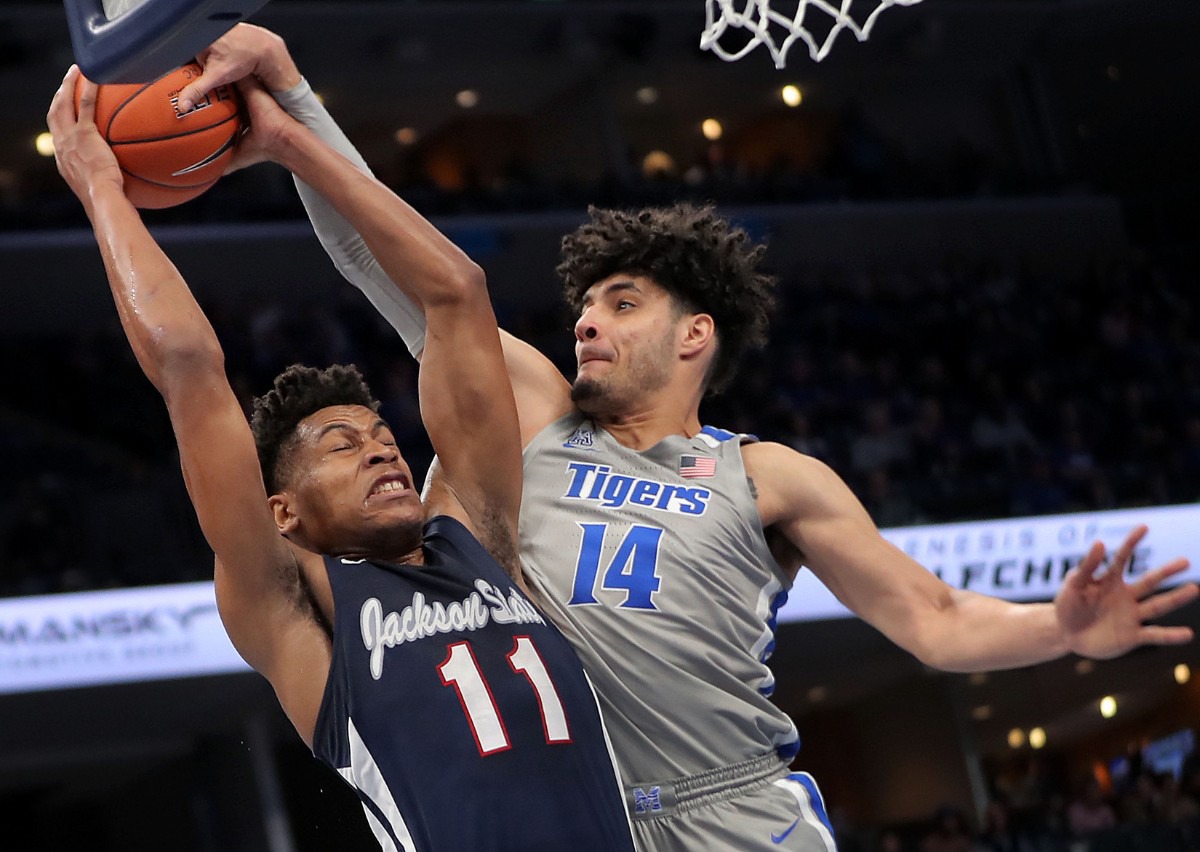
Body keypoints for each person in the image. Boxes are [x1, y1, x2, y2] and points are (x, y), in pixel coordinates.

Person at [177, 25, 1199, 852]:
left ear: (693, 335)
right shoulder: (534, 410)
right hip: (600, 821)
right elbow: (381, 262)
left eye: (621, 304)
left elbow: (932, 619)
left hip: (742, 809)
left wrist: (1060, 632)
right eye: (585, 303)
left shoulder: (766, 476)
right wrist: (293, 98)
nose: (585, 321)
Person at [47, 66, 636, 852]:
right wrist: (101, 192)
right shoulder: (296, 609)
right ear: (283, 512)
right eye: (342, 445)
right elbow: (189, 363)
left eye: (381, 436)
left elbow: (458, 290)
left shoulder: (483, 536)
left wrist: (292, 138)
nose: (381, 449)